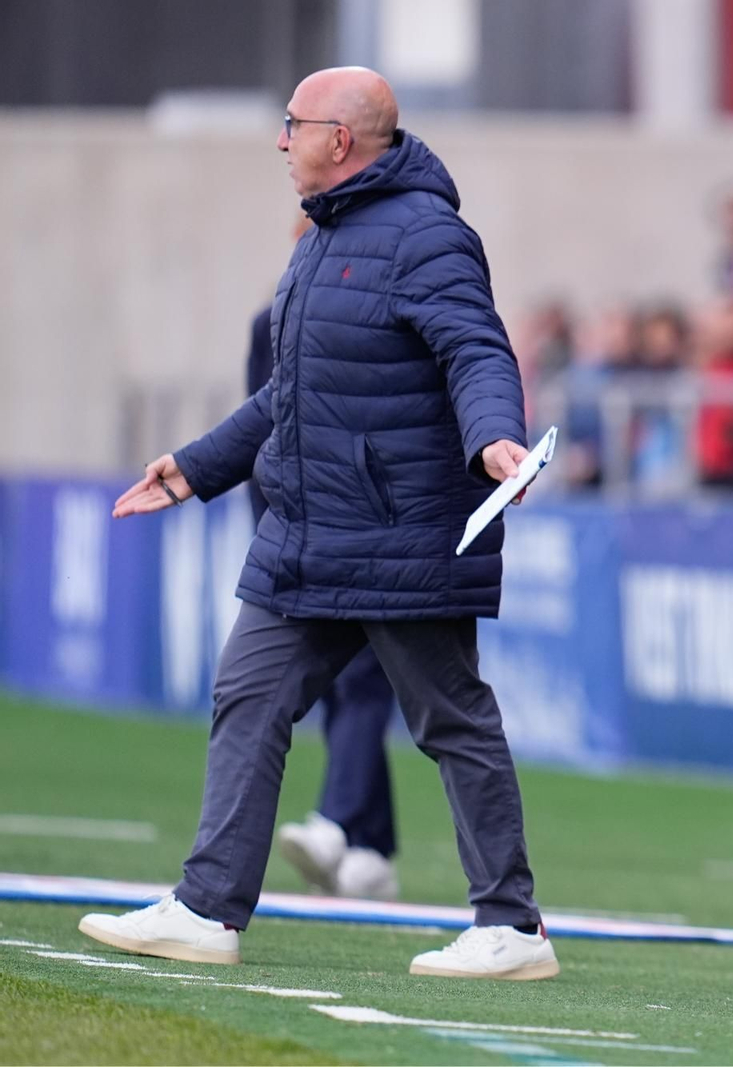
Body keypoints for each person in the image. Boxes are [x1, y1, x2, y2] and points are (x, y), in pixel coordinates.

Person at [77, 67, 557, 982]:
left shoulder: (427, 236)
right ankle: (208, 907)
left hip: (398, 534)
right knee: (248, 697)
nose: (280, 139)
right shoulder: (321, 239)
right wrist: (196, 467)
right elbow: (287, 395)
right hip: (307, 536)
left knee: (451, 718)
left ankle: (513, 926)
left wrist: (496, 436)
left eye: (292, 124)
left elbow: (476, 350)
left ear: (341, 138)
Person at [243, 217, 403, 902]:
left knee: (369, 683)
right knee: (345, 687)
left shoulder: (389, 318)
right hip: (306, 531)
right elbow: (263, 428)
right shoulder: (271, 322)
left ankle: (341, 824)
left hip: (377, 534)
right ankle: (370, 843)